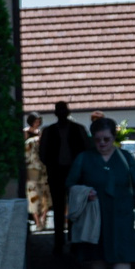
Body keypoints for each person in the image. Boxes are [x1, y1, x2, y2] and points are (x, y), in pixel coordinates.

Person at [70, 115, 135, 269]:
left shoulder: (125, 158)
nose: (102, 143)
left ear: (114, 137)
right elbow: (70, 183)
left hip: (121, 212)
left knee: (123, 253)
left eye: (106, 139)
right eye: (98, 139)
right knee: (97, 255)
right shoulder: (84, 158)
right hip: (96, 213)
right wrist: (85, 192)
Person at [38, 103, 90, 250]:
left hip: (70, 172)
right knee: (61, 207)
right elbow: (43, 154)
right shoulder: (54, 131)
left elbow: (42, 153)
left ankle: (70, 239)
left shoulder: (74, 129)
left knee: (71, 207)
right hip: (58, 172)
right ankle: (61, 240)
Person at [23, 111, 50, 230]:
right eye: (35, 120)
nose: (37, 122)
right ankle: (37, 221)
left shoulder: (43, 134)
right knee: (34, 195)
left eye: (39, 120)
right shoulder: (26, 132)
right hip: (33, 168)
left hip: (43, 169)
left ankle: (42, 219)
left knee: (45, 195)